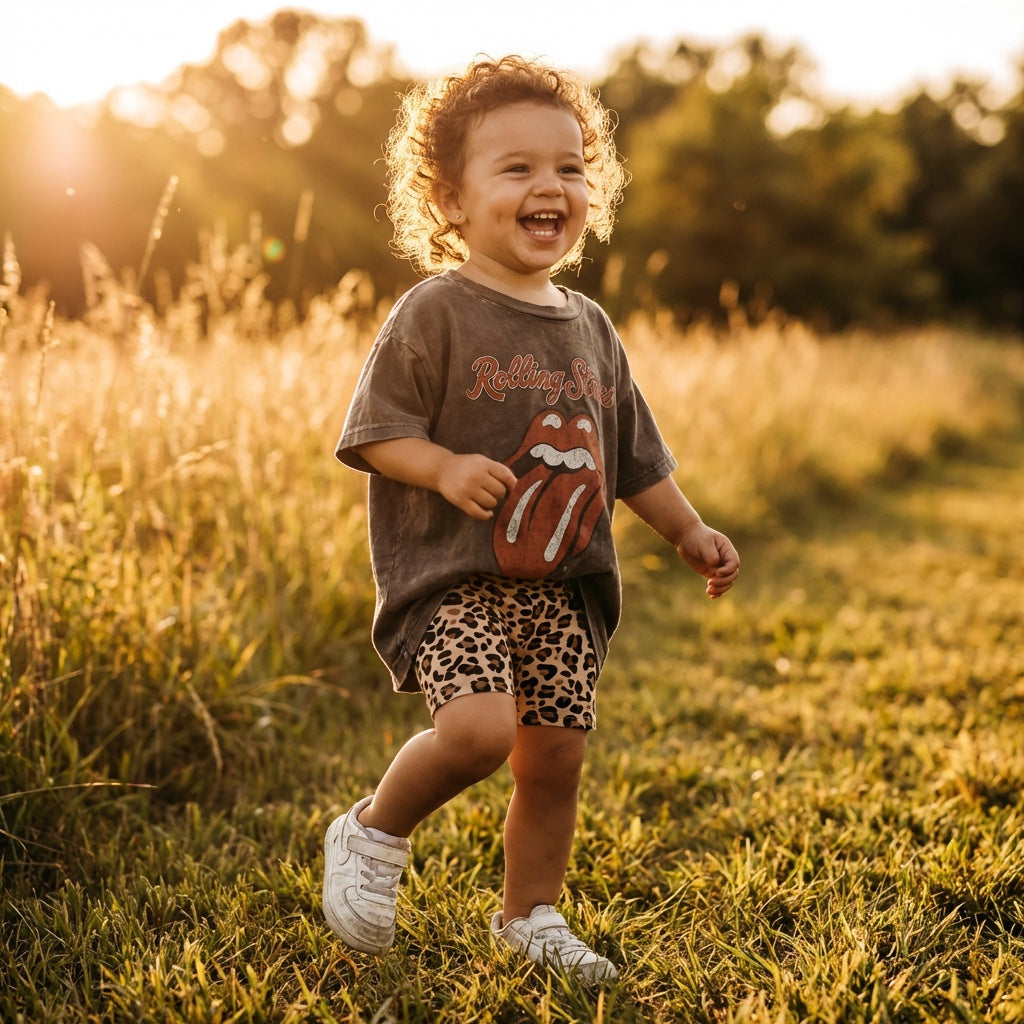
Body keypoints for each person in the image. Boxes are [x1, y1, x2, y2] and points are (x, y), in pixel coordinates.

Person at [324, 54, 739, 983]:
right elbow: (374, 433)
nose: (549, 185)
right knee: (479, 732)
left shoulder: (590, 327)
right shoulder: (435, 311)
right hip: (455, 578)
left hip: (560, 585)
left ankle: (531, 917)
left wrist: (689, 530)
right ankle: (370, 834)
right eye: (515, 168)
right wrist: (444, 467)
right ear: (452, 199)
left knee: (553, 757)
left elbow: (633, 458)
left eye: (571, 166)